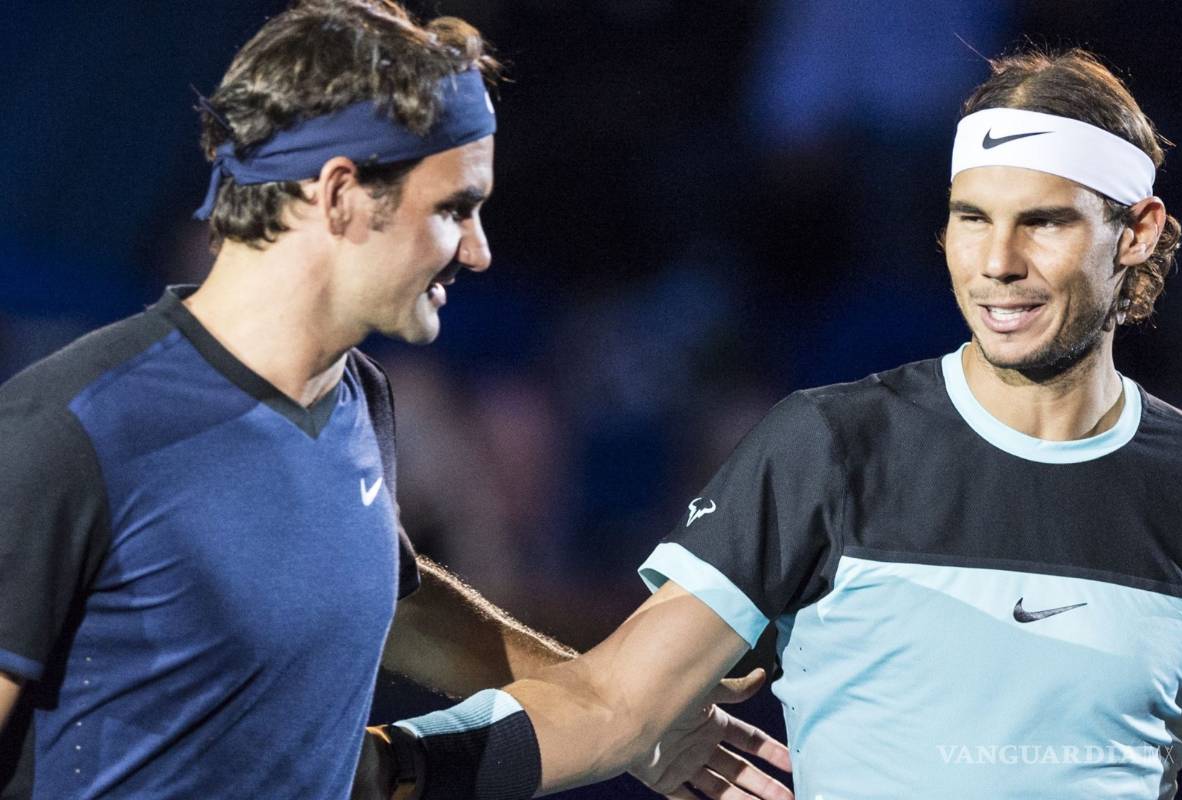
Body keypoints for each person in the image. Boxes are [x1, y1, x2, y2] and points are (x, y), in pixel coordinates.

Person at [0, 2, 793, 798]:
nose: (479, 252)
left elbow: (384, 591)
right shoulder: (73, 433)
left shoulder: (355, 399)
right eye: (455, 209)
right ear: (342, 193)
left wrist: (612, 708)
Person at [370, 48, 1182, 800]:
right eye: (972, 217)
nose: (996, 264)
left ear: (1138, 231)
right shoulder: (828, 448)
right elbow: (612, 705)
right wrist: (381, 768)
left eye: (1043, 221)